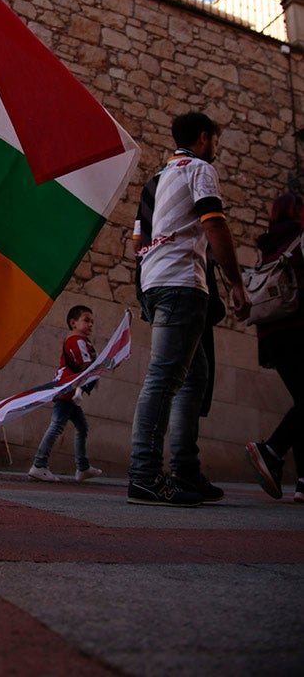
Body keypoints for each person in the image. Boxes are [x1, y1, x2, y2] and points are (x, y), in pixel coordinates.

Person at [128, 111, 250, 507]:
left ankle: (185, 469)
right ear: (203, 139)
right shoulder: (199, 169)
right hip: (182, 284)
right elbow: (215, 225)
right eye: (215, 141)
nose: (216, 149)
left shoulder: (155, 181)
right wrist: (235, 282)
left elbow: (136, 243)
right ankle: (145, 474)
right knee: (164, 377)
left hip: (154, 283)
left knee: (193, 376)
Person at [245, 192, 304, 503]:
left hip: (270, 335)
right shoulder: (299, 237)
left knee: (301, 401)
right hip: (296, 328)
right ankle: (271, 451)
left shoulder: (268, 246)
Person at [28, 304, 103, 483]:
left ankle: (83, 467)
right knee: (57, 426)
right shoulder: (77, 341)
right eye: (86, 320)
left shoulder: (80, 341)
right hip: (67, 390)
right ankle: (39, 464)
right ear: (73, 323)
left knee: (82, 426)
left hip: (69, 391)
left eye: (92, 321)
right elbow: (85, 365)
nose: (90, 324)